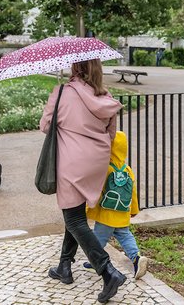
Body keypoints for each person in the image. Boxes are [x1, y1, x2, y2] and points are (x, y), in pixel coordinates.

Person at [40, 58, 127, 303]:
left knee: (74, 218)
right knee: (76, 212)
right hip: (96, 161)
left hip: (71, 161)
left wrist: (57, 101)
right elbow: (111, 134)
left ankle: (108, 271)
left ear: (75, 68)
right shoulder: (104, 95)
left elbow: (45, 126)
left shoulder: (62, 93)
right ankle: (64, 266)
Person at [84, 131, 149, 280]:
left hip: (106, 214)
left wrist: (88, 208)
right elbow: (132, 192)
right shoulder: (127, 170)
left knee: (97, 240)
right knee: (125, 236)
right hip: (122, 212)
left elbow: (97, 191)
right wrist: (133, 209)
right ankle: (137, 258)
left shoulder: (106, 169)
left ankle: (95, 262)